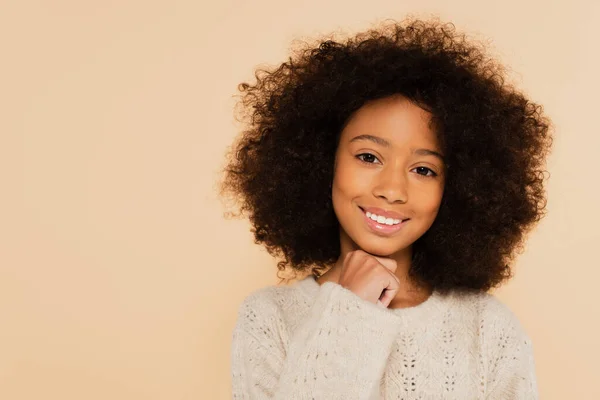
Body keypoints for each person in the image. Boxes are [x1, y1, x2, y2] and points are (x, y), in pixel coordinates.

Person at [220, 17, 552, 399]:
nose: (393, 190)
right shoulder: (268, 318)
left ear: (458, 187)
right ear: (322, 161)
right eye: (368, 156)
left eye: (424, 169)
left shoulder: (488, 328)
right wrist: (347, 313)